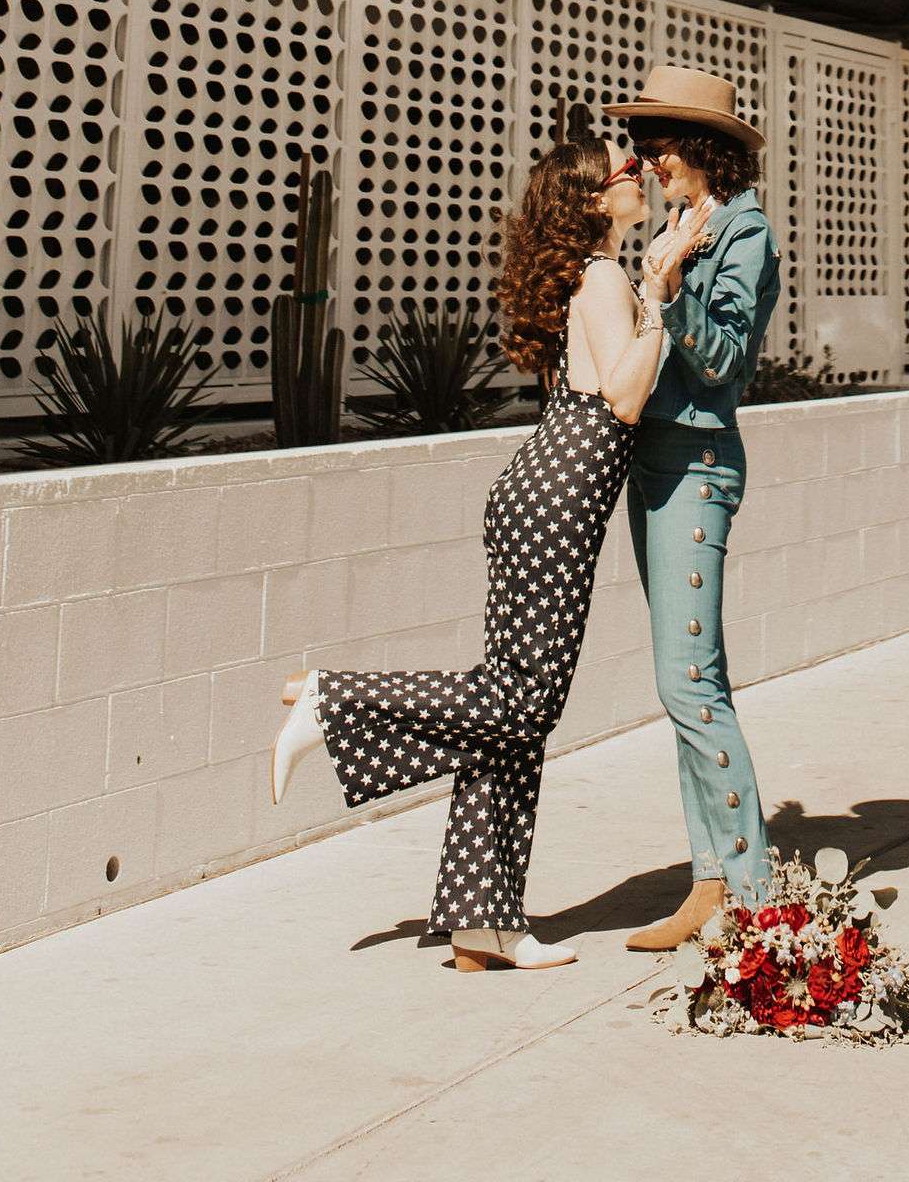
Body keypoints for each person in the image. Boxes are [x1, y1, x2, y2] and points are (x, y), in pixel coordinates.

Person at [266, 137, 701, 970]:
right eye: (624, 171)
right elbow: (624, 397)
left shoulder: (591, 274)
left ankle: (482, 923)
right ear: (593, 199)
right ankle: (332, 699)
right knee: (523, 702)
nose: (640, 175)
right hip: (560, 496)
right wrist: (656, 292)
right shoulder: (605, 277)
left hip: (539, 489)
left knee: (511, 716)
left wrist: (659, 282)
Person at [601, 64, 782, 953]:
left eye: (660, 144)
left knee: (689, 684)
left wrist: (667, 291)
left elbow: (724, 362)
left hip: (698, 464)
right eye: (640, 146)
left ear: (705, 147)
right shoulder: (680, 224)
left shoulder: (744, 231)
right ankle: (711, 880)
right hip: (654, 462)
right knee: (687, 681)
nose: (647, 161)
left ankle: (758, 903)